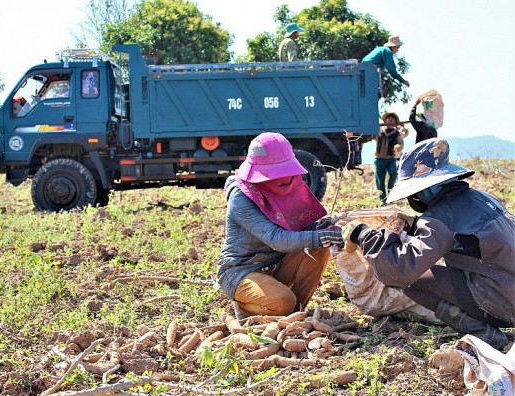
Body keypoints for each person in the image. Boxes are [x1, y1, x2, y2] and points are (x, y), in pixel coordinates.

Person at [341, 138, 515, 350]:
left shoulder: (440, 217)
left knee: (410, 279)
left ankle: (482, 333)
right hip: (505, 285)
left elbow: (398, 269)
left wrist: (363, 234)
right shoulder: (482, 198)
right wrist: (416, 225)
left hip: (504, 303)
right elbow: (466, 238)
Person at [217, 132, 343, 318]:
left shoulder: (290, 184)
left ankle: (294, 313)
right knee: (283, 302)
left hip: (276, 264)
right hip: (242, 271)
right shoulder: (241, 198)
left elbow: (303, 228)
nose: (285, 180)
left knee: (319, 247)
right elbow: (277, 239)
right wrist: (321, 236)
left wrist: (327, 227)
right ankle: (246, 308)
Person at [373, 112, 405, 204]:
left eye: (392, 118)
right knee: (380, 178)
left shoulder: (396, 133)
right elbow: (368, 136)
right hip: (379, 159)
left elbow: (401, 143)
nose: (390, 119)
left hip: (390, 158)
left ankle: (390, 192)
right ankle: (383, 198)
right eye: (389, 118)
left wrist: (398, 146)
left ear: (395, 121)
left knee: (394, 174)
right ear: (385, 120)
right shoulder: (378, 130)